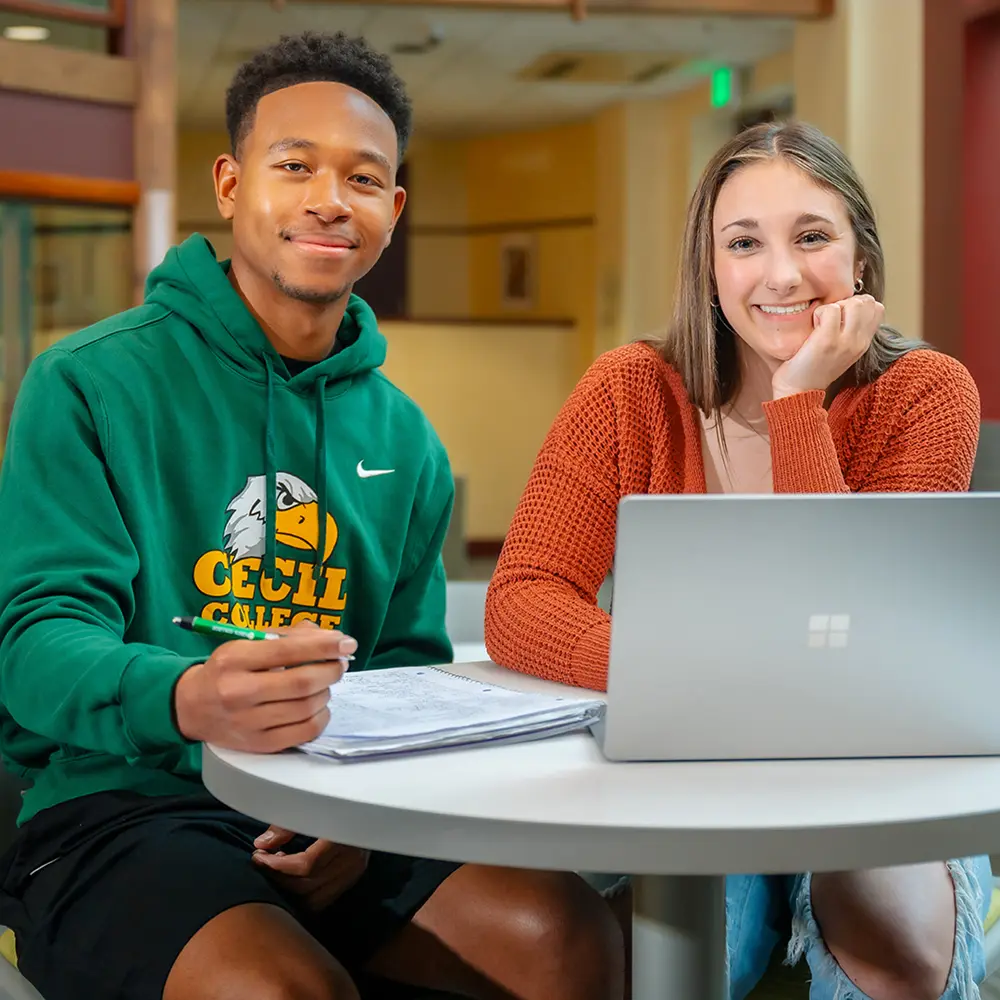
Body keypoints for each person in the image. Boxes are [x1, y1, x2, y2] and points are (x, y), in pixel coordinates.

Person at [0, 30, 624, 1000]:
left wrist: (372, 819)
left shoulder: (408, 441)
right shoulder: (86, 383)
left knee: (565, 935)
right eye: (294, 166)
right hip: (125, 804)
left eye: (363, 178)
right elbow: (33, 643)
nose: (330, 198)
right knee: (281, 990)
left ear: (392, 210)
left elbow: (408, 676)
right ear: (230, 183)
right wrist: (189, 697)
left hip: (338, 813)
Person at [485, 120, 990, 1000]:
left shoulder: (927, 393)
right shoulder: (628, 390)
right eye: (744, 243)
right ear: (709, 269)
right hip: (694, 766)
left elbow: (863, 635)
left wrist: (800, 403)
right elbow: (523, 596)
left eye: (813, 237)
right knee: (687, 961)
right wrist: (692, 682)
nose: (782, 274)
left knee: (904, 963)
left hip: (870, 764)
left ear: (861, 261)